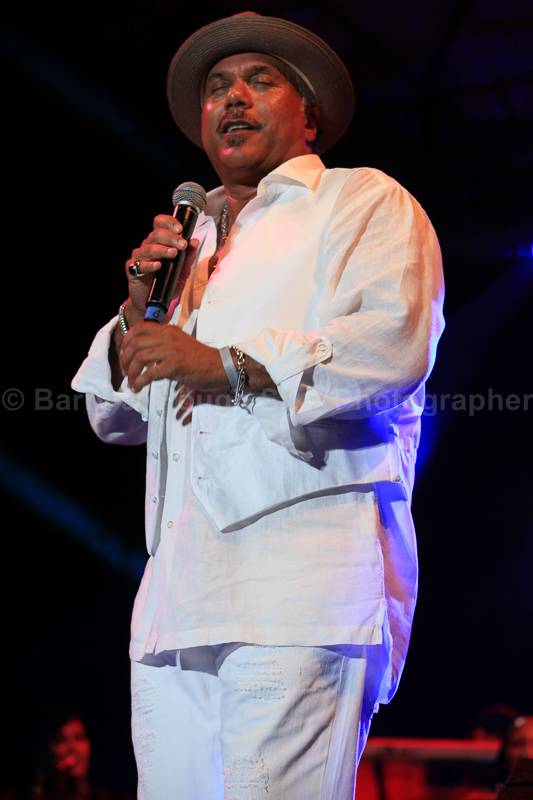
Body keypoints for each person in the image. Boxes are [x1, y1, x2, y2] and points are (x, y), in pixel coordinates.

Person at [73, 11, 445, 799]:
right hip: (176, 601)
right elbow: (110, 417)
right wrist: (139, 310)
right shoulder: (190, 241)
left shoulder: (359, 200)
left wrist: (224, 364)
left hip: (300, 585)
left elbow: (392, 344)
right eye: (216, 87)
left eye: (258, 80)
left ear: (309, 114)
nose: (231, 98)